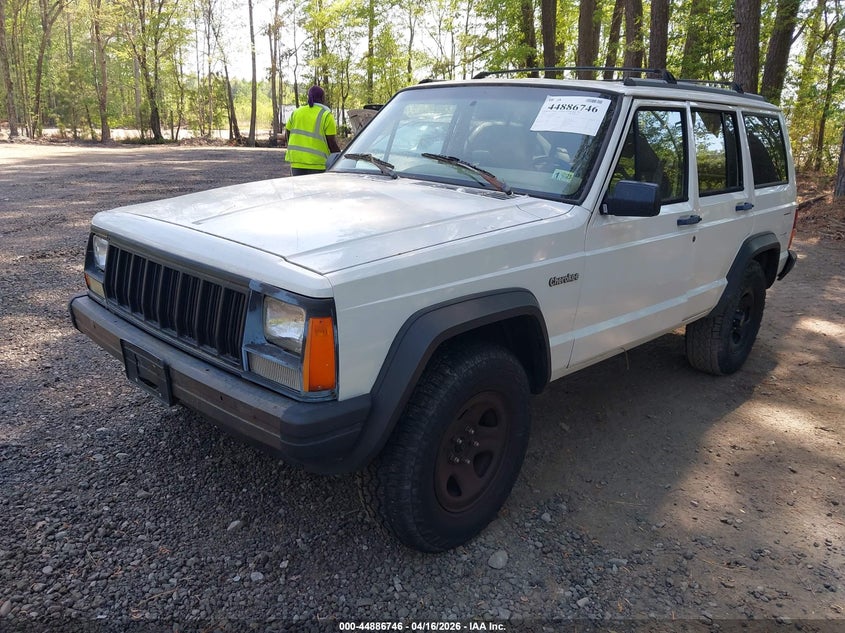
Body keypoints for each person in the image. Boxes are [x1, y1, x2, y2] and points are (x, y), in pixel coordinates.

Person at [284, 85, 341, 176]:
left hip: (297, 161)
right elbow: (332, 143)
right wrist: (340, 158)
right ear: (322, 98)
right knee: (317, 190)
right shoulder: (326, 115)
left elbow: (287, 133)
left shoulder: (296, 112)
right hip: (318, 164)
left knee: (298, 189)